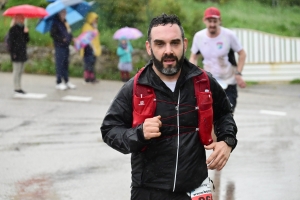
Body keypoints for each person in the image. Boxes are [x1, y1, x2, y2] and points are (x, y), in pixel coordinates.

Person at [101, 14, 237, 199]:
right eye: (160, 44)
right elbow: (109, 129)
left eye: (174, 43)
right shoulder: (135, 87)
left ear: (185, 44)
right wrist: (139, 134)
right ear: (149, 47)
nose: (168, 51)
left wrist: (227, 140)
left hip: (195, 187)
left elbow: (224, 114)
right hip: (149, 190)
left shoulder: (204, 81)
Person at [189, 7, 247, 111]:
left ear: (219, 20)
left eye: (215, 21)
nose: (212, 24)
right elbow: (193, 57)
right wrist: (194, 74)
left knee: (227, 114)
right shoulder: (199, 37)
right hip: (209, 83)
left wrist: (238, 73)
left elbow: (242, 54)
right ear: (204, 21)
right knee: (209, 116)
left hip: (228, 82)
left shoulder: (229, 35)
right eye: (209, 21)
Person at [50, 9, 76, 90]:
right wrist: (62, 39)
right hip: (59, 46)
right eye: (63, 12)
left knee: (65, 64)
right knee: (59, 64)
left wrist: (72, 37)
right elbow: (53, 34)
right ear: (59, 13)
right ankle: (59, 82)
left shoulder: (66, 22)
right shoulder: (55, 23)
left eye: (65, 12)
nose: (64, 14)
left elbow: (69, 31)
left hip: (66, 46)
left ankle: (66, 81)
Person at [8, 14, 29, 94]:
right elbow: (11, 43)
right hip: (16, 53)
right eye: (21, 18)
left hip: (22, 52)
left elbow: (27, 40)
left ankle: (19, 86)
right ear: (17, 19)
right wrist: (13, 53)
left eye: (23, 18)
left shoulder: (23, 28)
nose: (23, 19)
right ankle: (16, 87)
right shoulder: (13, 29)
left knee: (21, 70)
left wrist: (26, 33)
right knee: (16, 70)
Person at [80, 12, 102, 83]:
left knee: (92, 63)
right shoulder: (86, 26)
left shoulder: (93, 27)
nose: (95, 21)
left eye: (96, 19)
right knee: (89, 63)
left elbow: (96, 36)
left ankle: (92, 78)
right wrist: (92, 47)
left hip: (93, 48)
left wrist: (95, 28)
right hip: (88, 48)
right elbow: (87, 38)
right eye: (94, 19)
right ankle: (87, 78)